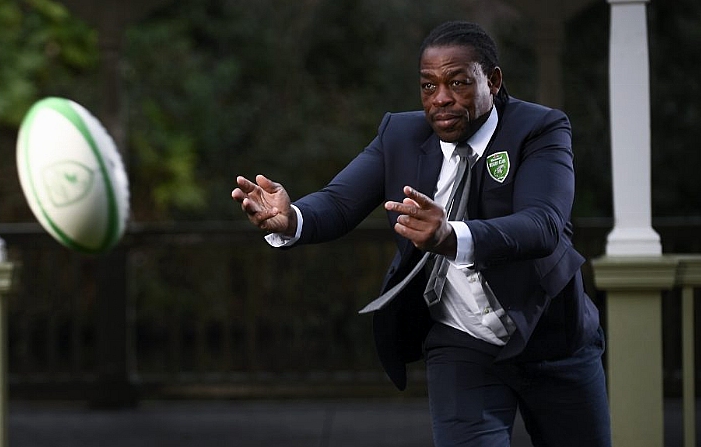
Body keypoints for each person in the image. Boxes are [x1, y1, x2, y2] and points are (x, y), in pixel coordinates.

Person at [231, 20, 611, 447]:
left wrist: (451, 236)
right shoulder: (400, 134)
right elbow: (339, 202)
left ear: (494, 80)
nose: (441, 99)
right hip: (462, 340)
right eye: (428, 86)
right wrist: (293, 218)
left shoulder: (539, 129)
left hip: (551, 336)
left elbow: (542, 225)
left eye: (458, 83)